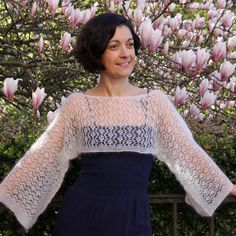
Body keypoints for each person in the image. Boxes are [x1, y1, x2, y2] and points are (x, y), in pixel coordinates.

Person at [0, 13, 235, 236]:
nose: (125, 53)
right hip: (81, 216)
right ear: (97, 52)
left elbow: (187, 152)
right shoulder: (78, 104)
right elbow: (43, 154)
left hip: (133, 217)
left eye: (130, 44)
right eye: (114, 46)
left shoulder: (154, 103)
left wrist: (228, 187)